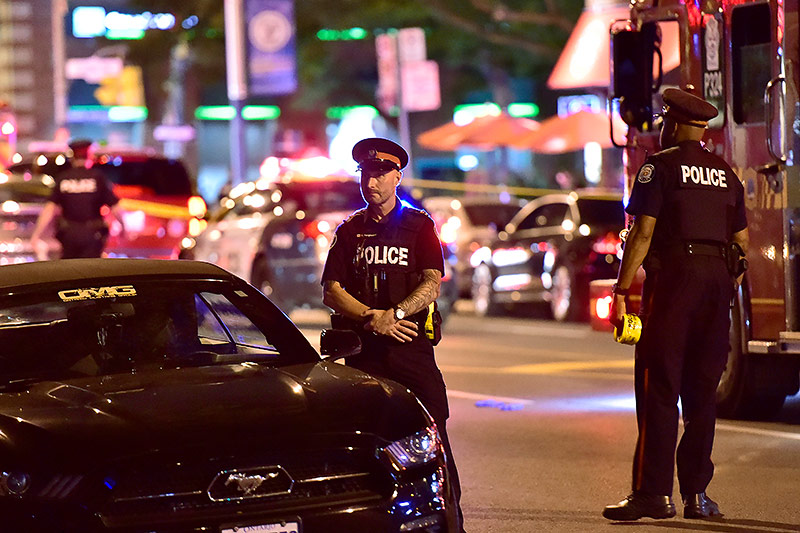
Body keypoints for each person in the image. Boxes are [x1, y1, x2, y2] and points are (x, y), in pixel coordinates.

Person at [603, 88, 749, 521]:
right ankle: (697, 497)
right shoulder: (726, 172)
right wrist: (722, 286)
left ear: (674, 123)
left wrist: (622, 290)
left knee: (660, 388)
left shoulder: (659, 168)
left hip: (674, 286)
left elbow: (643, 234)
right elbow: (742, 246)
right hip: (717, 285)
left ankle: (653, 495)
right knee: (702, 395)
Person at [321, 137, 466, 532]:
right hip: (364, 352)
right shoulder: (349, 231)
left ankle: (450, 521)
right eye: (367, 174)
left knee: (434, 436)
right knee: (367, 443)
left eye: (381, 174)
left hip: (410, 350)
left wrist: (396, 313)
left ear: (397, 176)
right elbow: (332, 290)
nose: (373, 182)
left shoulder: (419, 226)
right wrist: (371, 317)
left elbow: (432, 282)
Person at [30, 139, 125, 259]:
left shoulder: (63, 178)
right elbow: (115, 206)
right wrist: (124, 227)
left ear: (72, 157)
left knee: (70, 270)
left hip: (69, 235)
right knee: (90, 270)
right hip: (92, 235)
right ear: (89, 156)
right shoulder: (97, 178)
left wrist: (37, 234)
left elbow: (50, 209)